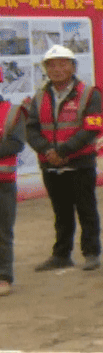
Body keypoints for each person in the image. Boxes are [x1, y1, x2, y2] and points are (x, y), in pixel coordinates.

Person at [24, 45, 103, 272]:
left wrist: (64, 151)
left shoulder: (90, 94)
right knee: (61, 212)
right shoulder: (39, 96)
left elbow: (93, 127)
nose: (57, 69)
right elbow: (31, 129)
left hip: (80, 162)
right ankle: (61, 255)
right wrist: (48, 151)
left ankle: (91, 253)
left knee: (86, 209)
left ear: (72, 67)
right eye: (51, 65)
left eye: (62, 64)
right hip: (50, 163)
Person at [0, 95, 23, 296]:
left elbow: (15, 144)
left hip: (3, 183)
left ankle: (3, 276)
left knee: (2, 232)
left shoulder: (12, 112)